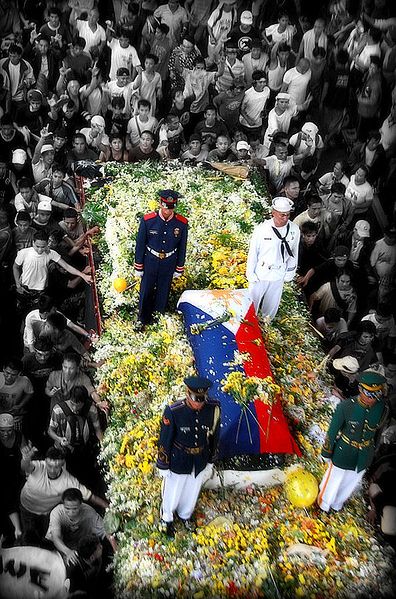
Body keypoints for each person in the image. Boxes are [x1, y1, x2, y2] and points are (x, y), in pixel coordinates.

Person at [157, 375, 220, 537]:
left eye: (202, 399)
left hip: (199, 458)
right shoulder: (174, 411)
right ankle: (167, 518)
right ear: (187, 393)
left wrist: (211, 459)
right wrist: (163, 464)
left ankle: (185, 514)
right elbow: (165, 438)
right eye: (195, 398)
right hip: (179, 457)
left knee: (192, 490)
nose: (199, 403)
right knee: (173, 490)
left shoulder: (213, 408)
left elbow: (214, 435)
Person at [318, 371, 388, 512]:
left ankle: (337, 504)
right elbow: (332, 432)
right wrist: (326, 452)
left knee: (350, 482)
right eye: (368, 393)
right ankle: (324, 504)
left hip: (364, 453)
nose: (371, 398)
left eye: (375, 395)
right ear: (360, 389)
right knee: (334, 480)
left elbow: (377, 433)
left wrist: (373, 451)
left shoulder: (382, 408)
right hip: (345, 450)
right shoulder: (346, 407)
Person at [20, 445, 108, 541]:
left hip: (46, 514)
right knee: (27, 538)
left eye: (57, 467)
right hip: (26, 509)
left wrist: (109, 508)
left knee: (44, 539)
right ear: (45, 461)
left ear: (63, 464)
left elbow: (91, 497)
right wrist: (26, 457)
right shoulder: (37, 466)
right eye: (50, 466)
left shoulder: (69, 481)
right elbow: (24, 466)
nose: (52, 470)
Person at [134, 189, 188, 328]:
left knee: (163, 292)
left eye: (171, 208)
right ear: (160, 203)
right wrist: (138, 266)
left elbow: (182, 246)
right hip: (151, 260)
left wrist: (179, 267)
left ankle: (158, 319)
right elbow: (140, 244)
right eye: (165, 207)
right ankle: (143, 318)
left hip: (169, 262)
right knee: (146, 290)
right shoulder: (148, 221)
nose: (167, 211)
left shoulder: (181, 223)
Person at [246, 196, 300, 319]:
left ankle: (266, 325)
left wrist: (290, 272)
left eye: (287, 215)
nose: (285, 218)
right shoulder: (262, 229)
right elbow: (253, 252)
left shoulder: (294, 230)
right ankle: (249, 322)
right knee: (252, 302)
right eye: (282, 215)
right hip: (262, 271)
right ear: (273, 213)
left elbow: (294, 252)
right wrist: (250, 273)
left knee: (271, 305)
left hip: (279, 271)